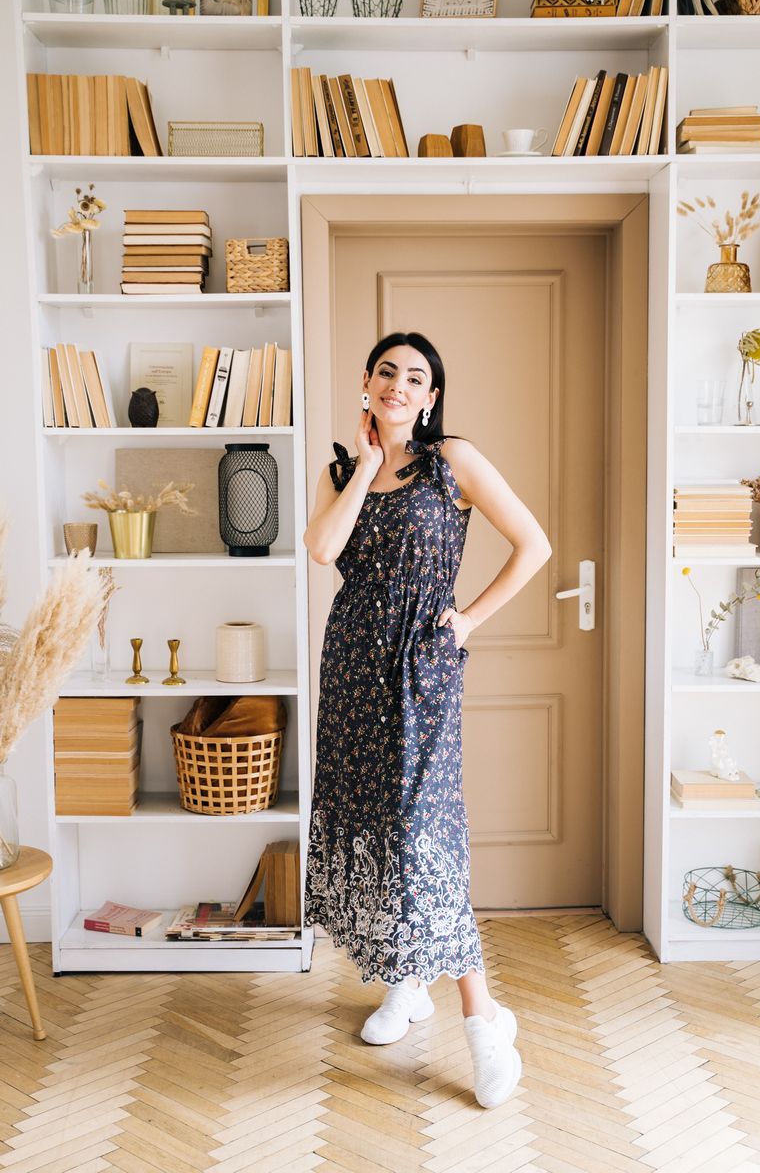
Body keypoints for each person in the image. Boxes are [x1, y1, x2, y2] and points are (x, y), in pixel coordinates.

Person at [302, 331, 552, 1108]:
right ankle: (406, 985)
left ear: (432, 396)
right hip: (352, 665)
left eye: (416, 377)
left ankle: (485, 1023)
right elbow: (322, 550)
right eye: (387, 373)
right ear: (367, 383)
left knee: (420, 835)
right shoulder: (340, 470)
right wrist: (366, 465)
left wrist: (469, 619)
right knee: (372, 821)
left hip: (422, 668)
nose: (399, 386)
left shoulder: (454, 462)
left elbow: (534, 544)